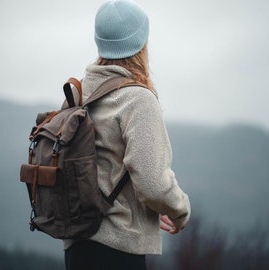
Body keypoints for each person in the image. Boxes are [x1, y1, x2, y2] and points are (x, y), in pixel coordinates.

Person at [63, 1, 191, 269]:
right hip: (117, 250)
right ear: (141, 43)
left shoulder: (80, 94)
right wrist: (180, 210)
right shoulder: (137, 99)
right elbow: (153, 184)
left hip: (76, 247)